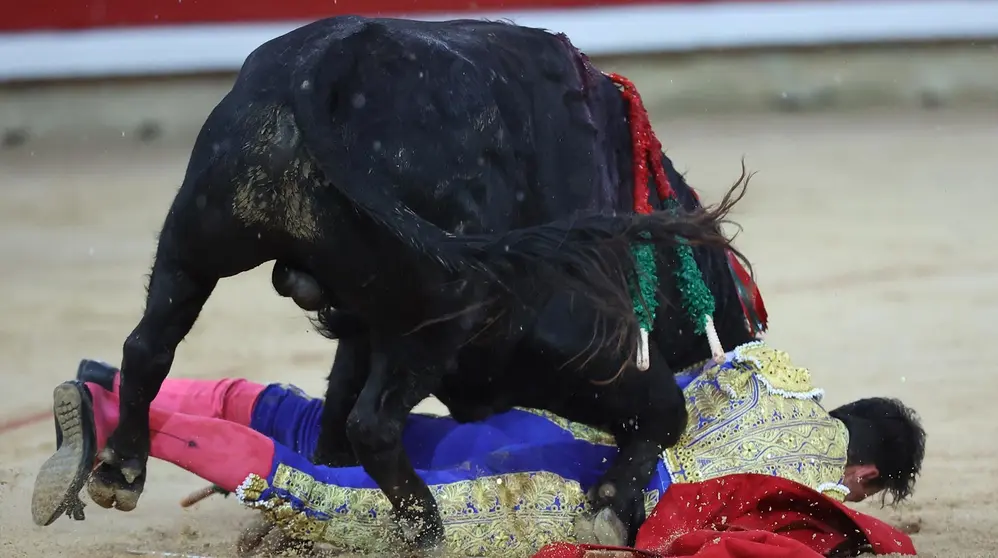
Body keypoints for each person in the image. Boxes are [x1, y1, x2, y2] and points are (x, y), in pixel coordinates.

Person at [32, 340, 925, 557]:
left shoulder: (765, 367)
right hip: (561, 492)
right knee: (329, 496)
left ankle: (129, 384)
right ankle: (118, 423)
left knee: (323, 426)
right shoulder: (820, 490)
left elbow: (664, 380)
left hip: (548, 429)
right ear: (865, 473)